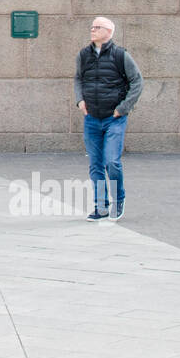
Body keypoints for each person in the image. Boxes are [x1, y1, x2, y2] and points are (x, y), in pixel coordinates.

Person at [74, 16, 143, 222]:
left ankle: (118, 199)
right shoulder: (84, 55)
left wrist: (122, 108)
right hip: (92, 118)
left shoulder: (120, 55)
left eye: (98, 27)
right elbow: (78, 78)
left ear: (109, 32)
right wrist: (80, 100)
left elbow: (137, 82)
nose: (92, 30)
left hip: (114, 118)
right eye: (92, 27)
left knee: (112, 161)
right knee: (95, 164)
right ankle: (101, 206)